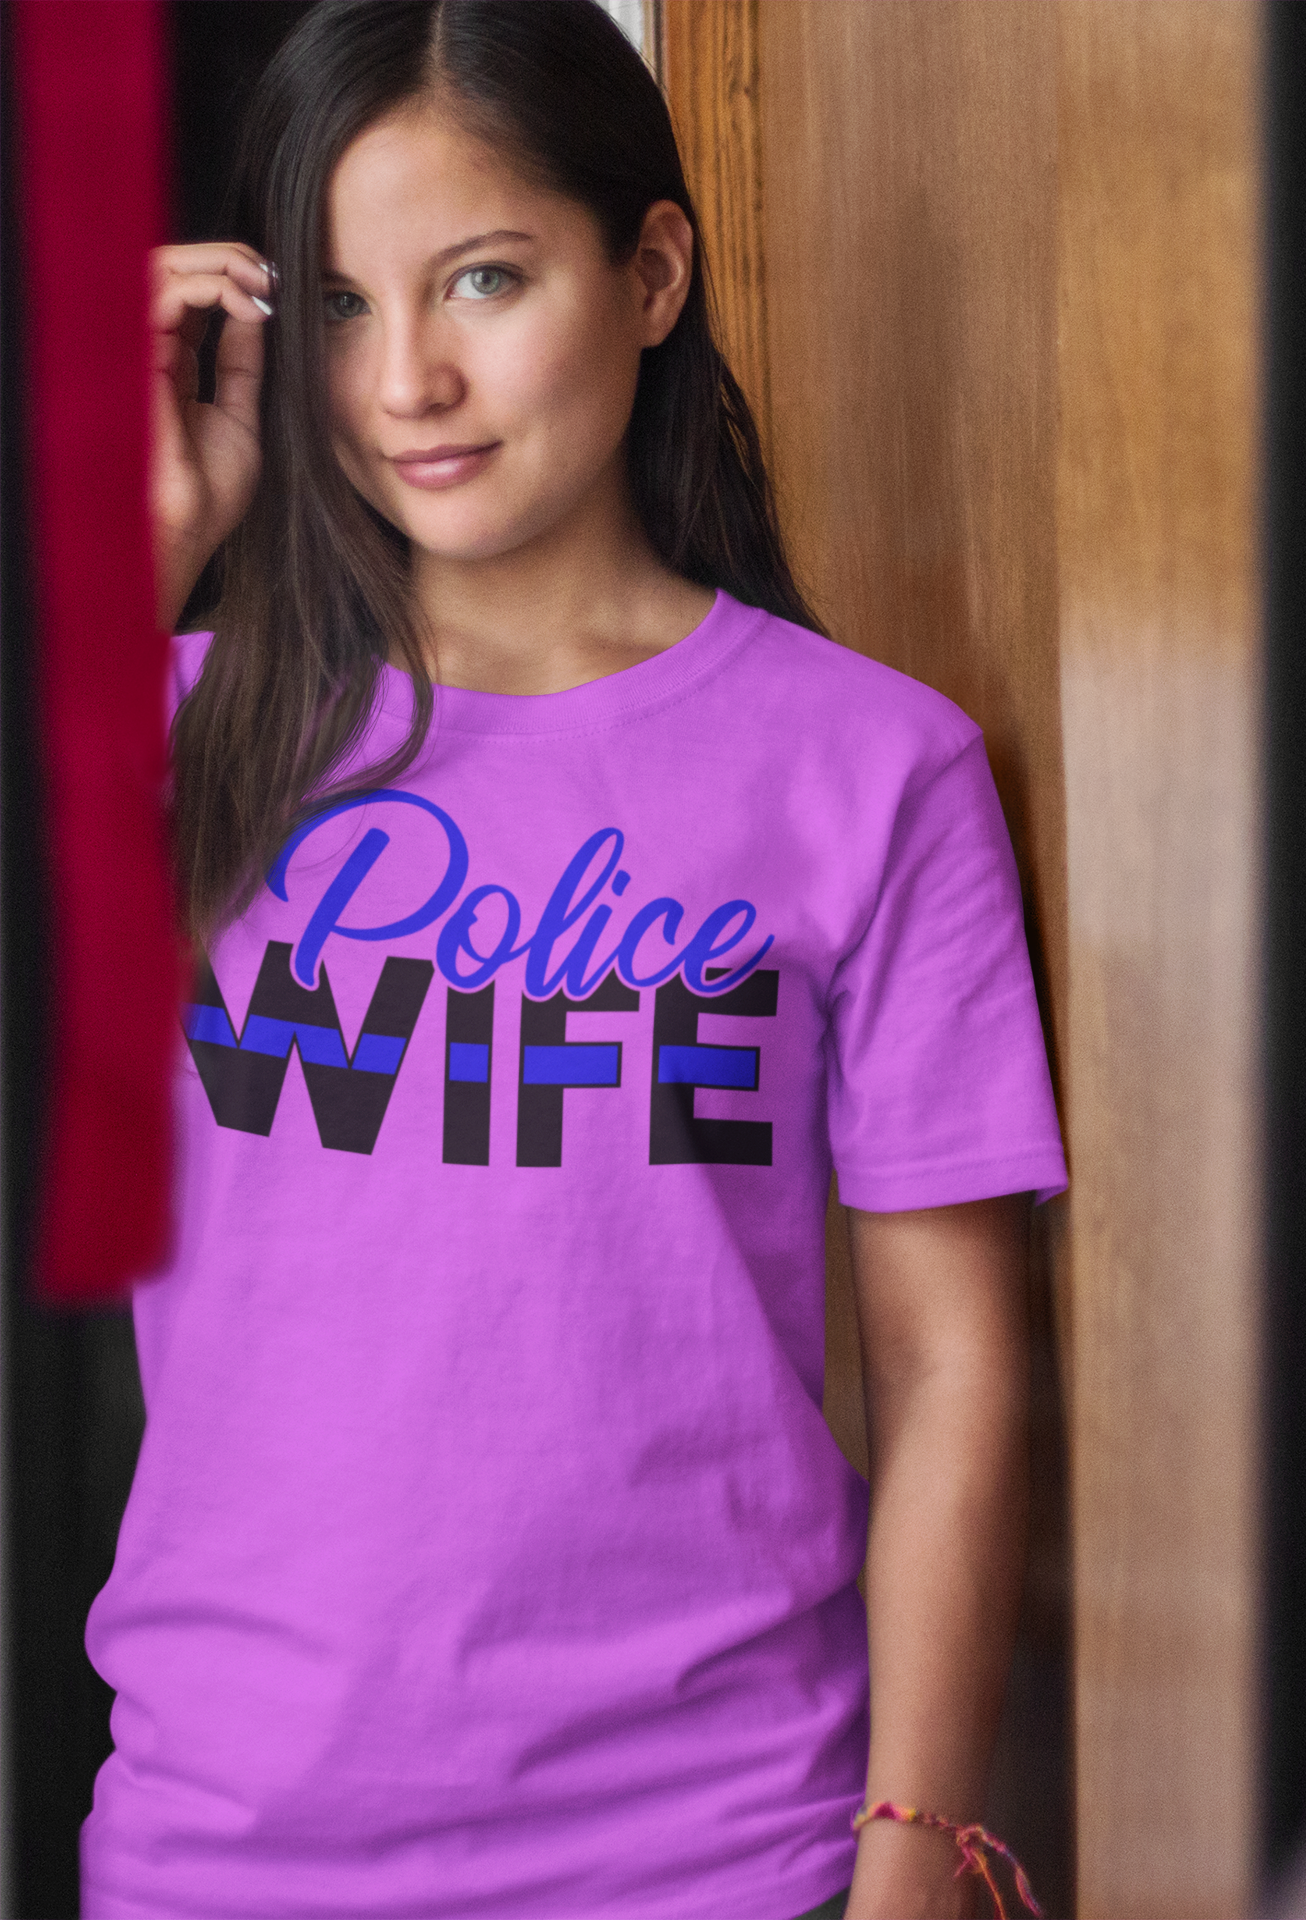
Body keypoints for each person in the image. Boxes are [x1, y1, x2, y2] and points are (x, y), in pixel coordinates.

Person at [88, 3, 1065, 1916]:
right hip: (230, 1848)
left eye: (483, 278)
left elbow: (953, 1362)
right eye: (346, 308)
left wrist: (916, 1853)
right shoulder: (177, 733)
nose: (411, 381)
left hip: (716, 1858)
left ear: (652, 270)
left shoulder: (875, 772)